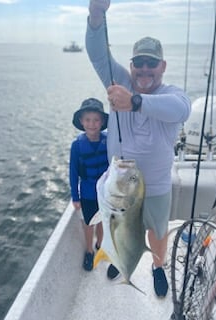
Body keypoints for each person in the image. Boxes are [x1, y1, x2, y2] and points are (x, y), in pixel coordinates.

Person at [86, 0, 191, 297]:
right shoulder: (119, 80)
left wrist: (134, 102)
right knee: (115, 227)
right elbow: (97, 53)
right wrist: (96, 14)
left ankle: (158, 267)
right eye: (139, 63)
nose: (145, 70)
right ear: (131, 65)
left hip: (155, 187)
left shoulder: (171, 94)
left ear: (162, 66)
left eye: (151, 63)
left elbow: (181, 110)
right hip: (119, 186)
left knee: (157, 234)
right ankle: (118, 259)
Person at [70, 98, 109, 271]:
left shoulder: (109, 140)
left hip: (105, 193)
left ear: (102, 122)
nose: (92, 124)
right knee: (89, 223)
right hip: (87, 193)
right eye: (87, 120)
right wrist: (75, 197)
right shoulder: (77, 145)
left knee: (101, 221)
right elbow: (73, 173)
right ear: (81, 122)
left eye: (96, 120)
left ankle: (100, 245)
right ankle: (89, 251)